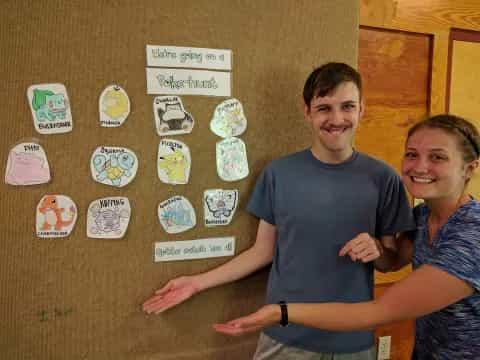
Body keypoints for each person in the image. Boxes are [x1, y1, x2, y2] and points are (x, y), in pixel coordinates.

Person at [143, 62, 415, 359]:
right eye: (324, 108)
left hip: (353, 343)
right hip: (284, 337)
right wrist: (196, 283)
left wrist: (377, 248)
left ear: (362, 109)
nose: (336, 119)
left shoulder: (384, 178)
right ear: (307, 111)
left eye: (347, 106)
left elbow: (390, 261)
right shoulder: (279, 174)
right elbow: (262, 252)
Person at [214, 114, 480, 360]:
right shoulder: (423, 216)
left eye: (437, 157)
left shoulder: (472, 234)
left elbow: (380, 311)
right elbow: (393, 260)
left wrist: (279, 311)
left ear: (470, 168)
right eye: (412, 154)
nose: (420, 166)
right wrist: (377, 247)